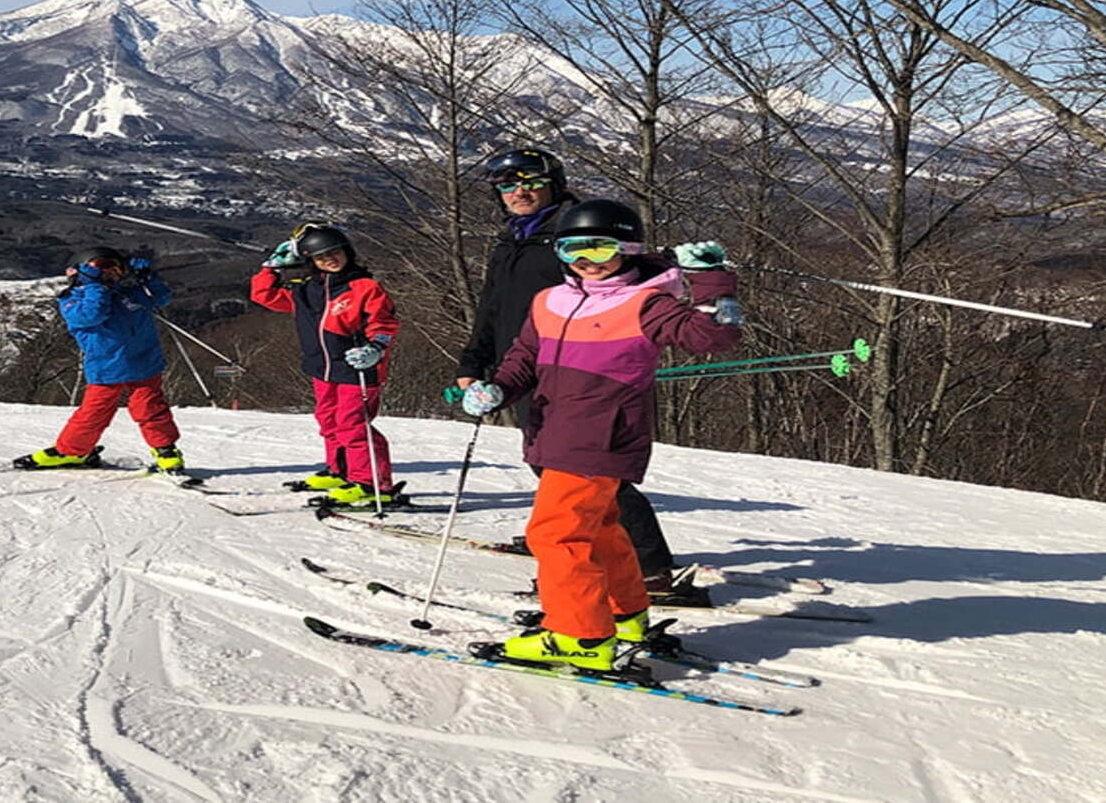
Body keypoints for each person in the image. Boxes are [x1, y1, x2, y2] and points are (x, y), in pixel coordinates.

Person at [459, 199, 741, 671]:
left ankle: (579, 636)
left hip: (601, 436)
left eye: (601, 249)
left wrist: (712, 279)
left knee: (555, 534)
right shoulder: (551, 300)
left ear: (628, 249)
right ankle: (623, 612)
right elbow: (525, 356)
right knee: (601, 528)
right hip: (553, 429)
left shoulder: (647, 302)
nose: (587, 262)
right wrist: (498, 389)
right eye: (573, 250)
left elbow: (712, 336)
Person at [454, 147, 701, 605]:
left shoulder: (573, 234)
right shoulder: (513, 241)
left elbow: (627, 279)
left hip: (580, 373)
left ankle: (646, 569)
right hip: (525, 372)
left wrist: (672, 267)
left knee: (598, 475)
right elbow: (492, 308)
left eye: (529, 181)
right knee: (549, 466)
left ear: (554, 182)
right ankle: (577, 539)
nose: (518, 191)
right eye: (507, 185)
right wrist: (475, 363)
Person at [248, 224, 403, 509]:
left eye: (334, 252)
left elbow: (385, 322)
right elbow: (263, 295)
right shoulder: (307, 291)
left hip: (357, 369)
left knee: (353, 425)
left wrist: (376, 348)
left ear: (347, 251)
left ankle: (371, 483)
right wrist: (270, 267)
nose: (329, 259)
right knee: (329, 420)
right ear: (311, 262)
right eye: (321, 257)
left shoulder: (365, 287)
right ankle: (339, 470)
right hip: (321, 368)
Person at [18, 246, 185, 472]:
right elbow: (92, 315)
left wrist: (149, 278)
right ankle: (72, 451)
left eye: (117, 269)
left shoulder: (126, 294)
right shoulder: (71, 301)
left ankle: (166, 451)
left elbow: (161, 298)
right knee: (94, 414)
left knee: (152, 410)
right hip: (107, 369)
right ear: (79, 271)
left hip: (144, 364)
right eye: (102, 267)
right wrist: (93, 286)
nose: (111, 273)